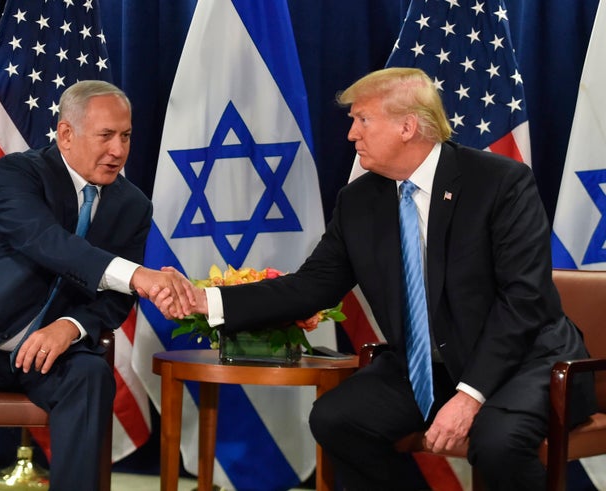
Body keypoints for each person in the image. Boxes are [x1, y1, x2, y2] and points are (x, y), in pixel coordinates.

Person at [151, 67, 597, 490]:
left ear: (407, 127)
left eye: (363, 119)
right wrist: (204, 302)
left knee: (498, 442)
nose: (351, 134)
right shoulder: (359, 201)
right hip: (432, 367)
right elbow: (311, 286)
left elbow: (523, 301)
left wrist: (470, 394)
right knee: (338, 419)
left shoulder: (500, 183)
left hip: (528, 361)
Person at [0, 80, 194, 491]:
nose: (119, 151)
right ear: (66, 134)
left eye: (125, 136)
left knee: (91, 376)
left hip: (55, 353)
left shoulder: (133, 205)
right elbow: (50, 243)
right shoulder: (16, 174)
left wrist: (70, 325)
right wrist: (138, 275)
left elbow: (111, 304)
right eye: (106, 136)